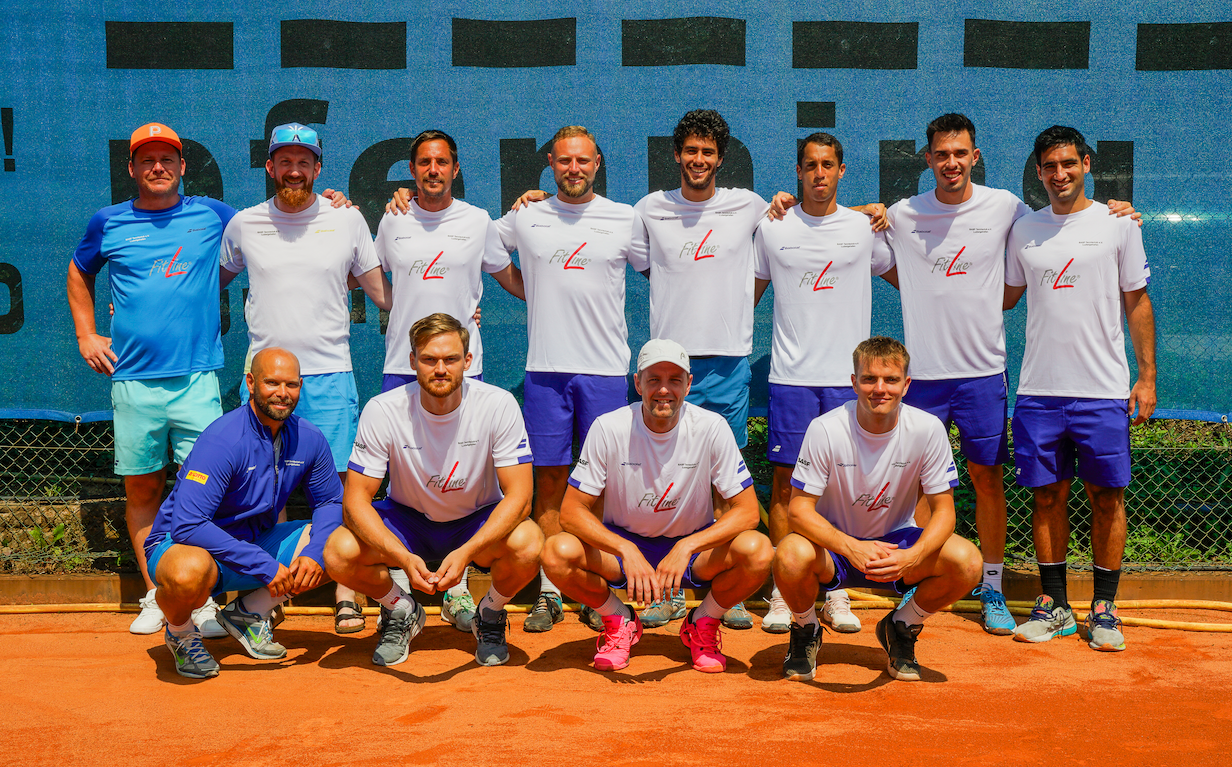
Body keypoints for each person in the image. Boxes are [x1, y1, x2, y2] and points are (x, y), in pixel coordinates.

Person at [873, 113, 1136, 635]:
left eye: (961, 153)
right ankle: (923, 578)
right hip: (921, 376)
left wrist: (1117, 211)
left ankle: (992, 588)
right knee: (919, 487)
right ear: (928, 160)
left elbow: (1065, 225)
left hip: (982, 374)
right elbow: (861, 234)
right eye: (941, 154)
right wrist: (868, 211)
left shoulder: (1009, 211)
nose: (951, 163)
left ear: (976, 157)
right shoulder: (902, 215)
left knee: (986, 479)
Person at [221, 122, 391, 634]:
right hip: (265, 379)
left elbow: (385, 295)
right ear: (269, 166)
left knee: (341, 489)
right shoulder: (244, 225)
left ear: (318, 169)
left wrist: (452, 309)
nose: (294, 169)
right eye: (284, 160)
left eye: (305, 161)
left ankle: (347, 592)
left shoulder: (348, 221)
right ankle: (262, 600)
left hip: (330, 375)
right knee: (259, 494)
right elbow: (211, 282)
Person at [67, 123, 232, 637]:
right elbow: (78, 270)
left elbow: (278, 219)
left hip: (198, 380)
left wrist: (335, 201)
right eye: (147, 160)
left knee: (203, 493)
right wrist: (86, 336)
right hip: (133, 381)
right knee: (143, 488)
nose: (157, 167)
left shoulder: (213, 215)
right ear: (133, 168)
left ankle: (198, 595)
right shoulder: (109, 222)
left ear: (183, 167)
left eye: (167, 159)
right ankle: (161, 596)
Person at [488, 125, 648, 633]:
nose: (572, 169)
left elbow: (662, 267)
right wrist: (529, 291)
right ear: (550, 165)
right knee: (551, 481)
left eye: (582, 161)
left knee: (602, 485)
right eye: (563, 161)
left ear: (596, 163)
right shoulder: (527, 214)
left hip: (605, 370)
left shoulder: (626, 218)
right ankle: (553, 591)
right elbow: (484, 250)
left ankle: (596, 584)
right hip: (545, 372)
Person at [1004, 125, 1156, 652]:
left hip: (1103, 390)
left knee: (1107, 497)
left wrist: (1147, 377)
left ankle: (1105, 609)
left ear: (1086, 164)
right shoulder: (1024, 230)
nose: (1059, 174)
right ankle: (1055, 605)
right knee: (1046, 497)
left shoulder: (1118, 224)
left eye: (1069, 163)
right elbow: (1001, 295)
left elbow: (1136, 301)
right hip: (1039, 392)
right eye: (1049, 166)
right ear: (1039, 171)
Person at [541, 338, 773, 673]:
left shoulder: (712, 427)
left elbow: (748, 512)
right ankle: (619, 620)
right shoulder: (609, 427)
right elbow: (571, 512)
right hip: (624, 549)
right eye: (654, 380)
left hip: (692, 552)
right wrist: (625, 550)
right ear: (638, 383)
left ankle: (702, 622)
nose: (664, 390)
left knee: (758, 550)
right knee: (556, 552)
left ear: (688, 384)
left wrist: (687, 546)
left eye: (674, 380)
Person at [324, 313, 541, 667]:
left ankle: (489, 613)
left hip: (476, 519)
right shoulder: (383, 409)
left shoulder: (498, 404)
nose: (440, 369)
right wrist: (402, 557)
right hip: (408, 522)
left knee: (530, 543)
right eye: (429, 359)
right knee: (338, 553)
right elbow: (356, 500)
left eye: (451, 359)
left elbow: (520, 497)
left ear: (467, 362)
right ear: (412, 362)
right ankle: (401, 609)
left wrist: (469, 551)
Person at [375, 129, 524, 632]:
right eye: (423, 163)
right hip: (402, 366)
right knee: (403, 483)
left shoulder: (478, 221)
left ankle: (459, 589)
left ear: (455, 169)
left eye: (441, 162)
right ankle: (400, 599)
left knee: (466, 479)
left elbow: (515, 280)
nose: (433, 170)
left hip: (462, 368)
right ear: (412, 170)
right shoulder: (392, 218)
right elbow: (368, 279)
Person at [773, 336, 981, 682]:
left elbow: (944, 511)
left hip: (895, 544)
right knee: (789, 553)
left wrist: (913, 555)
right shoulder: (825, 429)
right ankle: (806, 629)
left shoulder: (928, 429)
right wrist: (850, 546)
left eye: (891, 380)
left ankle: (901, 626)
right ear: (854, 382)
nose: (879, 389)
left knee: (968, 561)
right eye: (869, 379)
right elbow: (798, 511)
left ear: (906, 384)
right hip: (833, 548)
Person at [752, 132, 894, 635]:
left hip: (847, 383)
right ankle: (781, 590)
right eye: (810, 165)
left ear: (841, 170)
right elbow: (745, 290)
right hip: (791, 380)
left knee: (834, 491)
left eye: (828, 164)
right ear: (797, 172)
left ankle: (832, 591)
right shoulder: (772, 227)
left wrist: (873, 211)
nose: (818, 173)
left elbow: (911, 271)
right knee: (787, 484)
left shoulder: (865, 227)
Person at [144, 348, 343, 679]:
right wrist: (264, 566)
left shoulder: (309, 437)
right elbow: (188, 525)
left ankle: (250, 613)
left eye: (291, 385)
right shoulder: (222, 440)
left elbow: (329, 503)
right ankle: (180, 633)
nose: (282, 393)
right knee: (187, 572)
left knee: (339, 545)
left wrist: (314, 553)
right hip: (185, 546)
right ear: (251, 383)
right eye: (272, 382)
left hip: (254, 541)